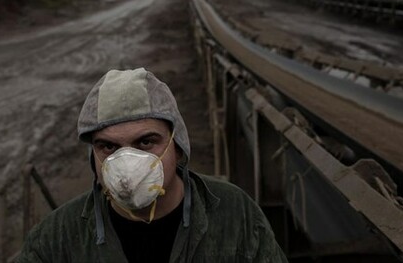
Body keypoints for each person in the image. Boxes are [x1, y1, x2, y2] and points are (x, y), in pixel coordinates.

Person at [18, 68, 287, 262]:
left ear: (178, 148)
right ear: (93, 157)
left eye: (146, 142)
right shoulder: (56, 239)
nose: (126, 164)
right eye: (108, 147)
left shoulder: (234, 214)